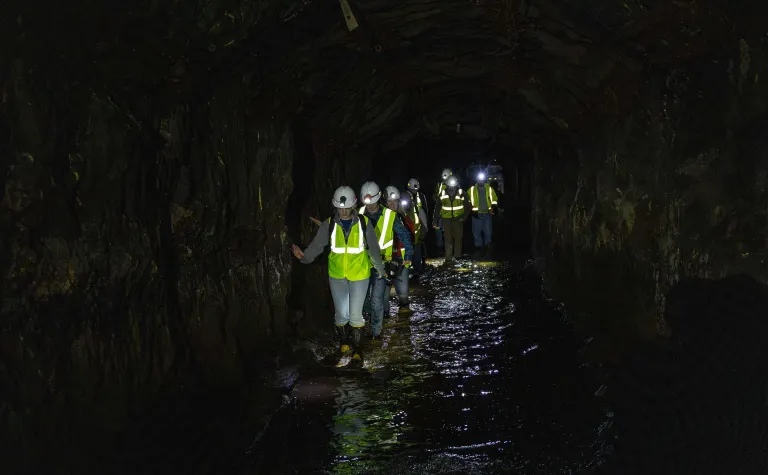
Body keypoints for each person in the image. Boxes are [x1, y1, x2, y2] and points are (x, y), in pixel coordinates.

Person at [291, 186, 385, 367]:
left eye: (346, 207)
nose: (343, 211)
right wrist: (305, 258)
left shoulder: (364, 223)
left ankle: (358, 351)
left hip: (359, 275)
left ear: (353, 206)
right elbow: (317, 246)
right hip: (337, 275)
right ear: (335, 206)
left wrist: (380, 269)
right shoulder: (329, 224)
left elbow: (373, 249)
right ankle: (343, 344)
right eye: (340, 208)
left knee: (355, 315)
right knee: (341, 314)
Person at [359, 181, 413, 340]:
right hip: (363, 264)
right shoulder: (359, 213)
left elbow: (405, 236)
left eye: (373, 202)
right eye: (367, 202)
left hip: (382, 265)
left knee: (377, 299)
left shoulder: (391, 216)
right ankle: (369, 323)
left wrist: (408, 256)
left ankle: (376, 333)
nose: (369, 206)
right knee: (364, 300)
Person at [384, 186, 415, 316]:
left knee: (403, 295)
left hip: (402, 261)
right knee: (383, 297)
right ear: (385, 202)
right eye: (390, 202)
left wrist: (408, 256)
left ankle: (404, 325)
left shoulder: (405, 218)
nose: (392, 205)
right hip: (385, 260)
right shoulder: (381, 219)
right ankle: (383, 324)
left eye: (395, 202)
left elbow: (412, 237)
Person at [432, 174, 471, 261]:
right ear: (447, 184)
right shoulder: (442, 193)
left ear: (456, 184)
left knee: (458, 238)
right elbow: (437, 208)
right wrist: (435, 220)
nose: (452, 188)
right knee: (447, 239)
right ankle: (449, 257)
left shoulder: (461, 193)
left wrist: (463, 217)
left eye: (453, 186)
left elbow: (468, 206)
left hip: (458, 219)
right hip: (446, 220)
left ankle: (457, 256)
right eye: (450, 186)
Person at [468, 170, 499, 253]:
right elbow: (466, 201)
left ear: (484, 180)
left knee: (488, 232)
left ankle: (488, 248)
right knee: (476, 233)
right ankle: (478, 250)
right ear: (477, 180)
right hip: (476, 215)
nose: (480, 181)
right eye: (479, 179)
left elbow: (495, 200)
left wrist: (492, 207)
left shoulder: (489, 189)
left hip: (487, 214)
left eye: (482, 179)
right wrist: (471, 210)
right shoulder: (471, 190)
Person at [406, 178, 428, 275]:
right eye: (412, 189)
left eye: (415, 189)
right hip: (409, 227)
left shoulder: (421, 196)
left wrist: (425, 226)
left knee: (418, 247)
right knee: (410, 248)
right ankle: (409, 268)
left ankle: (418, 269)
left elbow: (424, 210)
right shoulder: (404, 196)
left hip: (419, 225)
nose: (414, 191)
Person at [432, 169, 453, 253]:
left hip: (450, 212)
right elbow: (435, 195)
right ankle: (439, 247)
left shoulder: (454, 184)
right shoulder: (439, 185)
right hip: (440, 212)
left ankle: (449, 248)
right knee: (438, 230)